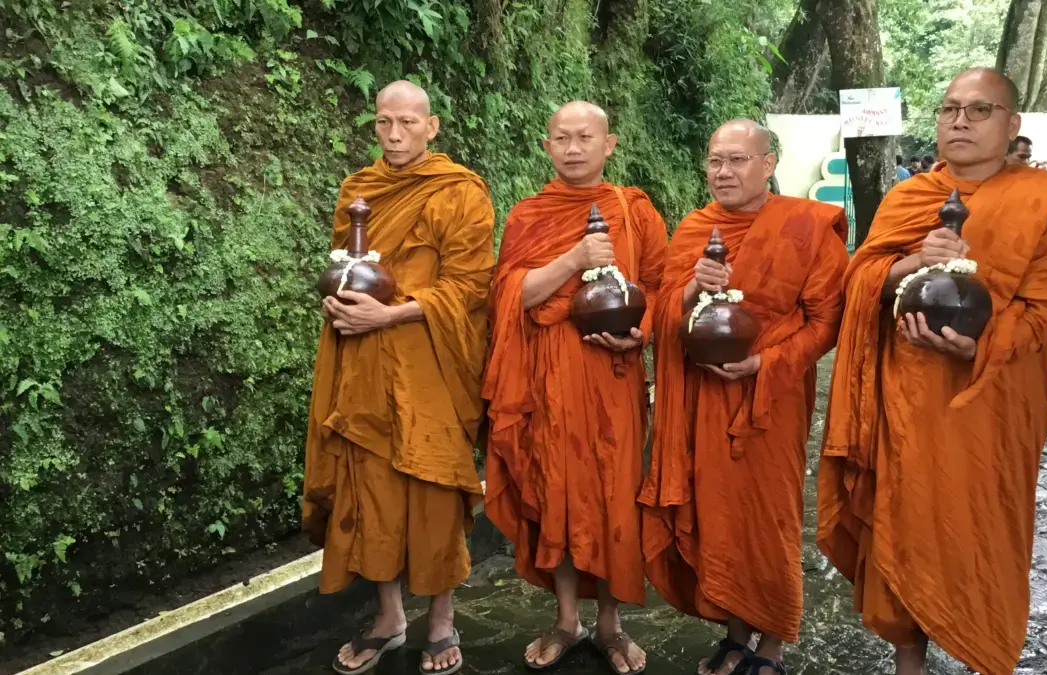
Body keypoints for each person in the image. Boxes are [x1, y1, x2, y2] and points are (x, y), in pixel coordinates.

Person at [817, 68, 1047, 675]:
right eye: (949, 110)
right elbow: (860, 278)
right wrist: (913, 260)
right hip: (907, 399)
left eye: (979, 110)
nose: (960, 121)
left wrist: (979, 347)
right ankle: (908, 664)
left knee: (983, 534)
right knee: (903, 524)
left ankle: (983, 654)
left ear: (1012, 124)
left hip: (990, 400)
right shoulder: (907, 196)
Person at [639, 119, 850, 675]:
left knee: (769, 514)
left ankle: (773, 642)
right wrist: (690, 287)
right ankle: (735, 634)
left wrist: (766, 363)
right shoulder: (693, 229)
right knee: (716, 513)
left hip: (770, 401)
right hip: (703, 400)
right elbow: (660, 312)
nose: (723, 172)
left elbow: (827, 321)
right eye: (715, 160)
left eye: (737, 160)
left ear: (768, 164)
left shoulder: (806, 226)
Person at [302, 80, 496, 675]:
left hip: (430, 361)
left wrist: (393, 312)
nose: (394, 134)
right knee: (370, 491)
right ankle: (389, 617)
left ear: (431, 127)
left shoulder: (461, 193)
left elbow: (470, 286)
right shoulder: (358, 191)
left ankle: (441, 619)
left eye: (407, 123)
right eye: (384, 122)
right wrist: (340, 305)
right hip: (363, 363)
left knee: (435, 489)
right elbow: (346, 268)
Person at [483, 101, 668, 674]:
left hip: (611, 375)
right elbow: (513, 296)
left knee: (614, 492)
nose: (572, 147)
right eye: (560, 138)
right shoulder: (527, 216)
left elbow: (662, 287)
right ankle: (567, 619)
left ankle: (611, 624)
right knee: (555, 490)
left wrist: (639, 333)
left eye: (584, 137)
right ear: (546, 147)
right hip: (547, 378)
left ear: (608, 145)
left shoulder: (634, 211)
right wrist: (574, 257)